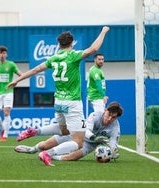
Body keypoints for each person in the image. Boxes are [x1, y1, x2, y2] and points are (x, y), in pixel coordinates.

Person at [8, 26, 110, 166]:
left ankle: (35, 131)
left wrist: (16, 80)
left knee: (64, 131)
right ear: (72, 43)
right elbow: (93, 49)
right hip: (72, 103)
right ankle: (47, 153)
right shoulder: (73, 56)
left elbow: (36, 69)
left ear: (59, 44)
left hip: (58, 102)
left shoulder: (53, 58)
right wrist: (103, 31)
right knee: (79, 142)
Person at [14, 102, 123, 162]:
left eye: (113, 117)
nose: (109, 119)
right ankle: (32, 149)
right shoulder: (95, 115)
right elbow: (86, 130)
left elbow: (113, 143)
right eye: (109, 115)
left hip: (90, 144)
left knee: (72, 157)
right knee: (45, 145)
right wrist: (95, 137)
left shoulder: (115, 128)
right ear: (105, 111)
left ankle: (49, 155)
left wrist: (112, 152)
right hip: (77, 134)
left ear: (116, 118)